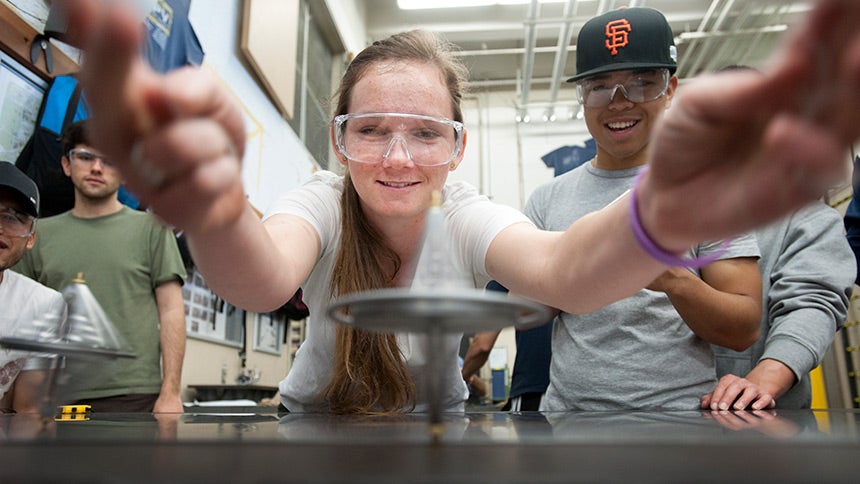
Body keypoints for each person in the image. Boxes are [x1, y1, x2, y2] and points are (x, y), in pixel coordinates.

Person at [60, 0, 860, 414]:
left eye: (424, 133)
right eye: (369, 131)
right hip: (314, 427)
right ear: (339, 142)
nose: (398, 158)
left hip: (431, 435)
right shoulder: (324, 201)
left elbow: (565, 273)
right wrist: (218, 209)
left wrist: (659, 213)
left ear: (458, 147)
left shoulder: (467, 213)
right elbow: (264, 278)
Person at [528, 7, 762, 411]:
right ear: (582, 96)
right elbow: (526, 313)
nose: (619, 104)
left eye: (640, 84)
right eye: (599, 86)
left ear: (670, 90)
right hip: (569, 423)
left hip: (678, 422)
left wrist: (673, 277)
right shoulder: (547, 200)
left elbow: (743, 328)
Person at [13, 121, 187, 413]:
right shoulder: (36, 236)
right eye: (85, 156)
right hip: (58, 399)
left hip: (135, 395)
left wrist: (170, 391)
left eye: (110, 160)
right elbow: (19, 315)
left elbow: (171, 310)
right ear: (67, 165)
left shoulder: (152, 229)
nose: (96, 167)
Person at [703, 200, 855, 410]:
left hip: (762, 421)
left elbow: (812, 306)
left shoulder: (807, 217)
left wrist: (767, 377)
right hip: (657, 414)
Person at [0, 162, 66, 413]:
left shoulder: (43, 305)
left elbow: (29, 411)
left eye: (12, 217)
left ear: (31, 238)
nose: (0, 227)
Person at [462, 281, 552, 411]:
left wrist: (463, 377)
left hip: (534, 389)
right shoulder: (560, 271)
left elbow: (482, 345)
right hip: (570, 388)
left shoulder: (504, 277)